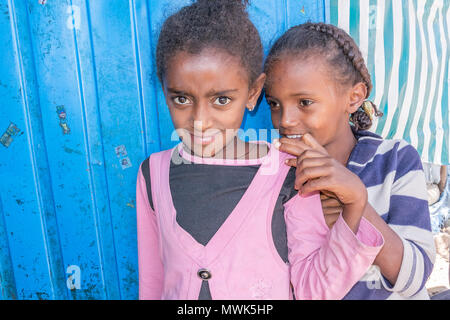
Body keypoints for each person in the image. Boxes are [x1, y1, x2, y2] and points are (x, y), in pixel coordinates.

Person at [136, 1, 383, 300]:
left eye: (222, 100)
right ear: (164, 90)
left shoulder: (288, 171)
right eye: (182, 99)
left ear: (253, 93)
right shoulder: (153, 174)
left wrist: (356, 205)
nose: (200, 121)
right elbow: (152, 284)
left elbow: (314, 290)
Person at [264, 22, 435, 299]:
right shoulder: (278, 172)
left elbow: (415, 279)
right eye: (274, 103)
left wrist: (357, 206)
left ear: (353, 97)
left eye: (305, 102)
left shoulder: (395, 161)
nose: (285, 120)